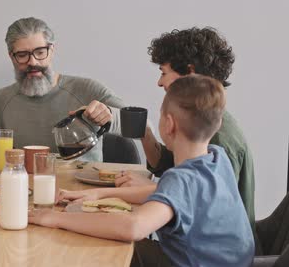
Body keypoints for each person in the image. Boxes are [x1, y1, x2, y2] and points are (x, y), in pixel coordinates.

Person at [29, 75, 255, 267]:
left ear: (168, 124)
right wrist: (99, 195)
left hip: (194, 263)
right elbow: (165, 194)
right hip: (228, 261)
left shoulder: (182, 179)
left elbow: (133, 227)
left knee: (103, 243)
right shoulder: (216, 157)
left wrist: (55, 218)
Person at [114, 27, 255, 232]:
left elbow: (202, 205)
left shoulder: (221, 139)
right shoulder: (204, 122)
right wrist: (146, 134)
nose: (159, 82)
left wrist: (151, 188)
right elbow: (170, 166)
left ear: (189, 72)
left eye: (164, 72)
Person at [0, 17, 125, 161]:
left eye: (40, 52)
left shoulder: (87, 89)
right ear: (12, 57)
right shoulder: (2, 99)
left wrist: (109, 114)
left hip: (85, 182)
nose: (33, 62)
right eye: (22, 55)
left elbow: (141, 125)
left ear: (52, 50)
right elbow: (5, 161)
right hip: (27, 183)